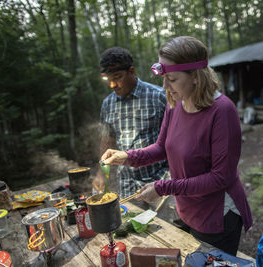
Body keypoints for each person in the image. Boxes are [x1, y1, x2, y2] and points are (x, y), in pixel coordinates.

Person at [100, 37, 253, 256]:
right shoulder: (176, 103)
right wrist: (126, 156)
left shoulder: (222, 111)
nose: (165, 86)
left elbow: (221, 177)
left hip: (216, 214)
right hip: (187, 207)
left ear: (195, 77)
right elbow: (162, 147)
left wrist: (163, 188)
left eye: (171, 78)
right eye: (163, 78)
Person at [93, 47, 169, 198]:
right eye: (109, 80)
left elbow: (176, 141)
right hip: (127, 187)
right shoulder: (107, 104)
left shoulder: (159, 96)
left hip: (159, 184)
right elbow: (107, 140)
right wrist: (101, 173)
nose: (113, 85)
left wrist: (170, 179)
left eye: (117, 77)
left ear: (131, 71)